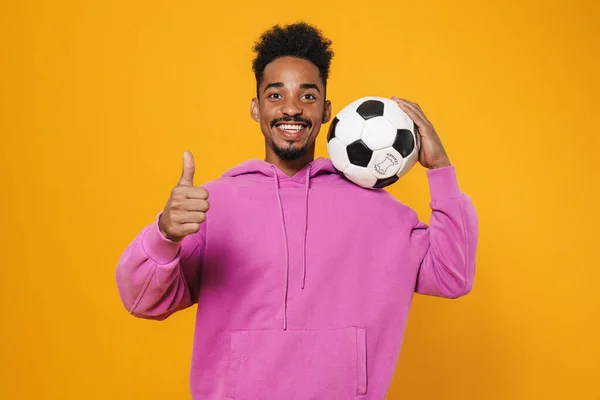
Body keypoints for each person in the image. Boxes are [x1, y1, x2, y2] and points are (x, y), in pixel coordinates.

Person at [116, 22, 478, 400]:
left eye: (308, 96)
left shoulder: (380, 213)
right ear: (256, 108)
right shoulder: (210, 205)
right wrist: (165, 235)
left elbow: (453, 275)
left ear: (327, 111)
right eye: (276, 94)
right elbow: (143, 301)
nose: (291, 108)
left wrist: (441, 171)